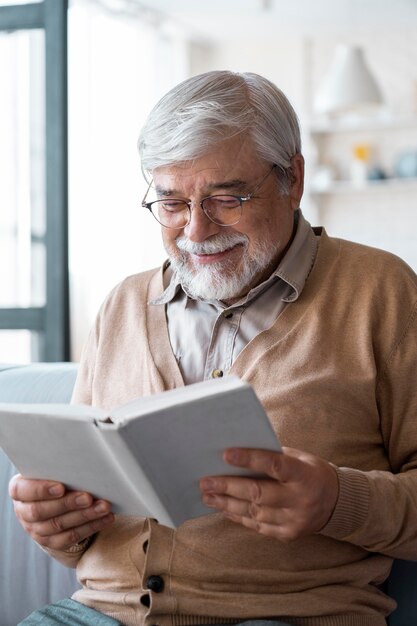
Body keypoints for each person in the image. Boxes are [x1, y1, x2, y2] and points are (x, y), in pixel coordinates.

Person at [9, 70, 417, 626]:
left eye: (227, 198)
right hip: (99, 613)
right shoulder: (123, 305)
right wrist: (55, 524)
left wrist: (336, 501)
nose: (196, 231)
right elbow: (82, 526)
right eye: (172, 202)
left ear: (293, 178)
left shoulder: (381, 292)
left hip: (287, 616)